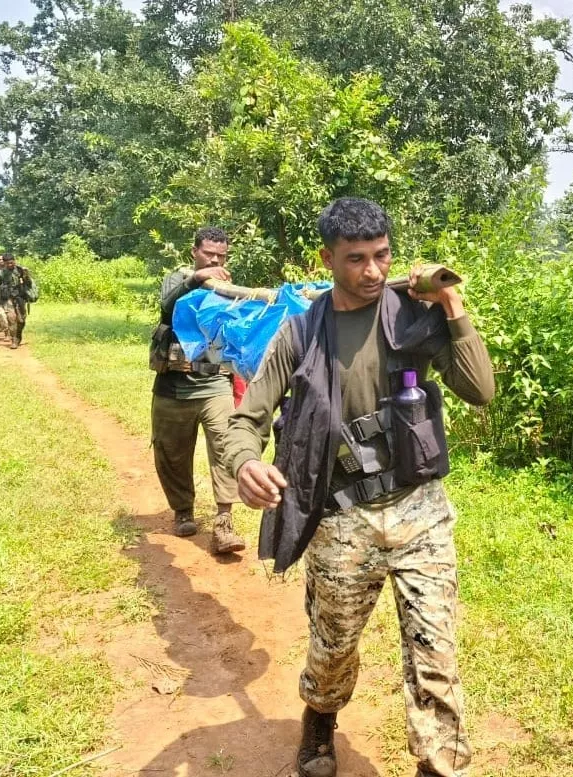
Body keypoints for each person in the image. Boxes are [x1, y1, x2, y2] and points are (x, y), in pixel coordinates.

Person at [225, 198, 494, 777]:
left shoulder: (413, 316)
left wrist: (451, 304)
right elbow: (246, 418)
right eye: (356, 260)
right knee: (334, 647)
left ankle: (438, 763)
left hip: (419, 508)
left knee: (436, 652)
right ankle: (319, 720)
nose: (373, 271)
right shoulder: (300, 333)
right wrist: (247, 461)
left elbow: (480, 389)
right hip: (341, 517)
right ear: (327, 259)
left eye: (382, 256)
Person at [149, 226, 246, 554]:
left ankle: (223, 522)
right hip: (172, 386)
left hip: (215, 382)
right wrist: (198, 278)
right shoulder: (177, 279)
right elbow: (167, 307)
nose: (215, 260)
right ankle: (183, 512)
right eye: (209, 254)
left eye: (221, 256)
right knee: (172, 454)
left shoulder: (227, 287)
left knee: (225, 448)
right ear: (195, 252)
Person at [0, 253, 35, 348]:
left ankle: (18, 335)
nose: (10, 265)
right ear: (4, 263)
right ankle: (14, 340)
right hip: (7, 298)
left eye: (12, 263)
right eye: (8, 263)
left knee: (21, 320)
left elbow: (29, 284)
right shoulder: (0, 273)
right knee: (11, 318)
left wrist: (26, 276)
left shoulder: (20, 270)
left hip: (20, 297)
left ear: (14, 261)